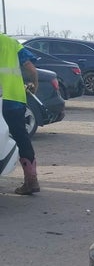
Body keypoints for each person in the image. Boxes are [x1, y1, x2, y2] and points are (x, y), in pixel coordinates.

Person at [0, 32, 39, 195]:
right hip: (14, 98)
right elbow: (31, 69)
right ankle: (31, 181)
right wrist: (34, 83)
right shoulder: (11, 43)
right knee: (21, 137)